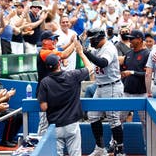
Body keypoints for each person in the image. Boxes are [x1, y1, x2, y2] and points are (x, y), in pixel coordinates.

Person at [37, 41, 93, 155]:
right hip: (72, 123)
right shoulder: (72, 75)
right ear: (59, 63)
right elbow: (90, 68)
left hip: (55, 125)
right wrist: (81, 53)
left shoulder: (44, 82)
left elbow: (43, 107)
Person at [83, 28, 124, 156]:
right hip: (100, 86)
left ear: (99, 38)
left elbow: (102, 63)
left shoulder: (109, 47)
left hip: (112, 86)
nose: (91, 42)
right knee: (93, 116)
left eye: (92, 39)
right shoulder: (97, 48)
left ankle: (120, 151)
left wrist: (86, 52)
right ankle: (100, 148)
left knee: (113, 118)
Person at [36, 30, 76, 135]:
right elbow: (63, 54)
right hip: (45, 91)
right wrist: (75, 43)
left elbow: (60, 50)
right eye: (52, 39)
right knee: (44, 123)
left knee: (52, 123)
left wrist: (72, 42)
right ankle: (40, 148)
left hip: (52, 90)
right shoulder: (44, 52)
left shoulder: (50, 50)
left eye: (55, 39)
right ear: (44, 41)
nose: (55, 41)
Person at [0, 63, 21, 147]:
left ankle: (10, 138)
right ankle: (5, 141)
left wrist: (9, 95)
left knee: (20, 115)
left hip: (2, 107)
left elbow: (4, 99)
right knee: (11, 117)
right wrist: (7, 96)